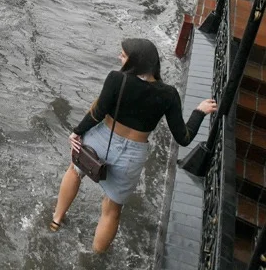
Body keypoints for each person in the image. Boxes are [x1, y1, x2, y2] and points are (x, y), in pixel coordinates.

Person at [51, 38, 216, 252]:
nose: (120, 57)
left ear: (135, 61)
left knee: (74, 172)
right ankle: (94, 258)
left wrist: (76, 132)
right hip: (131, 156)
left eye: (123, 55)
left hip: (101, 139)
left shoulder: (116, 79)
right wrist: (199, 111)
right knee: (112, 210)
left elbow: (98, 113)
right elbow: (183, 138)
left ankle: (56, 220)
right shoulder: (169, 94)